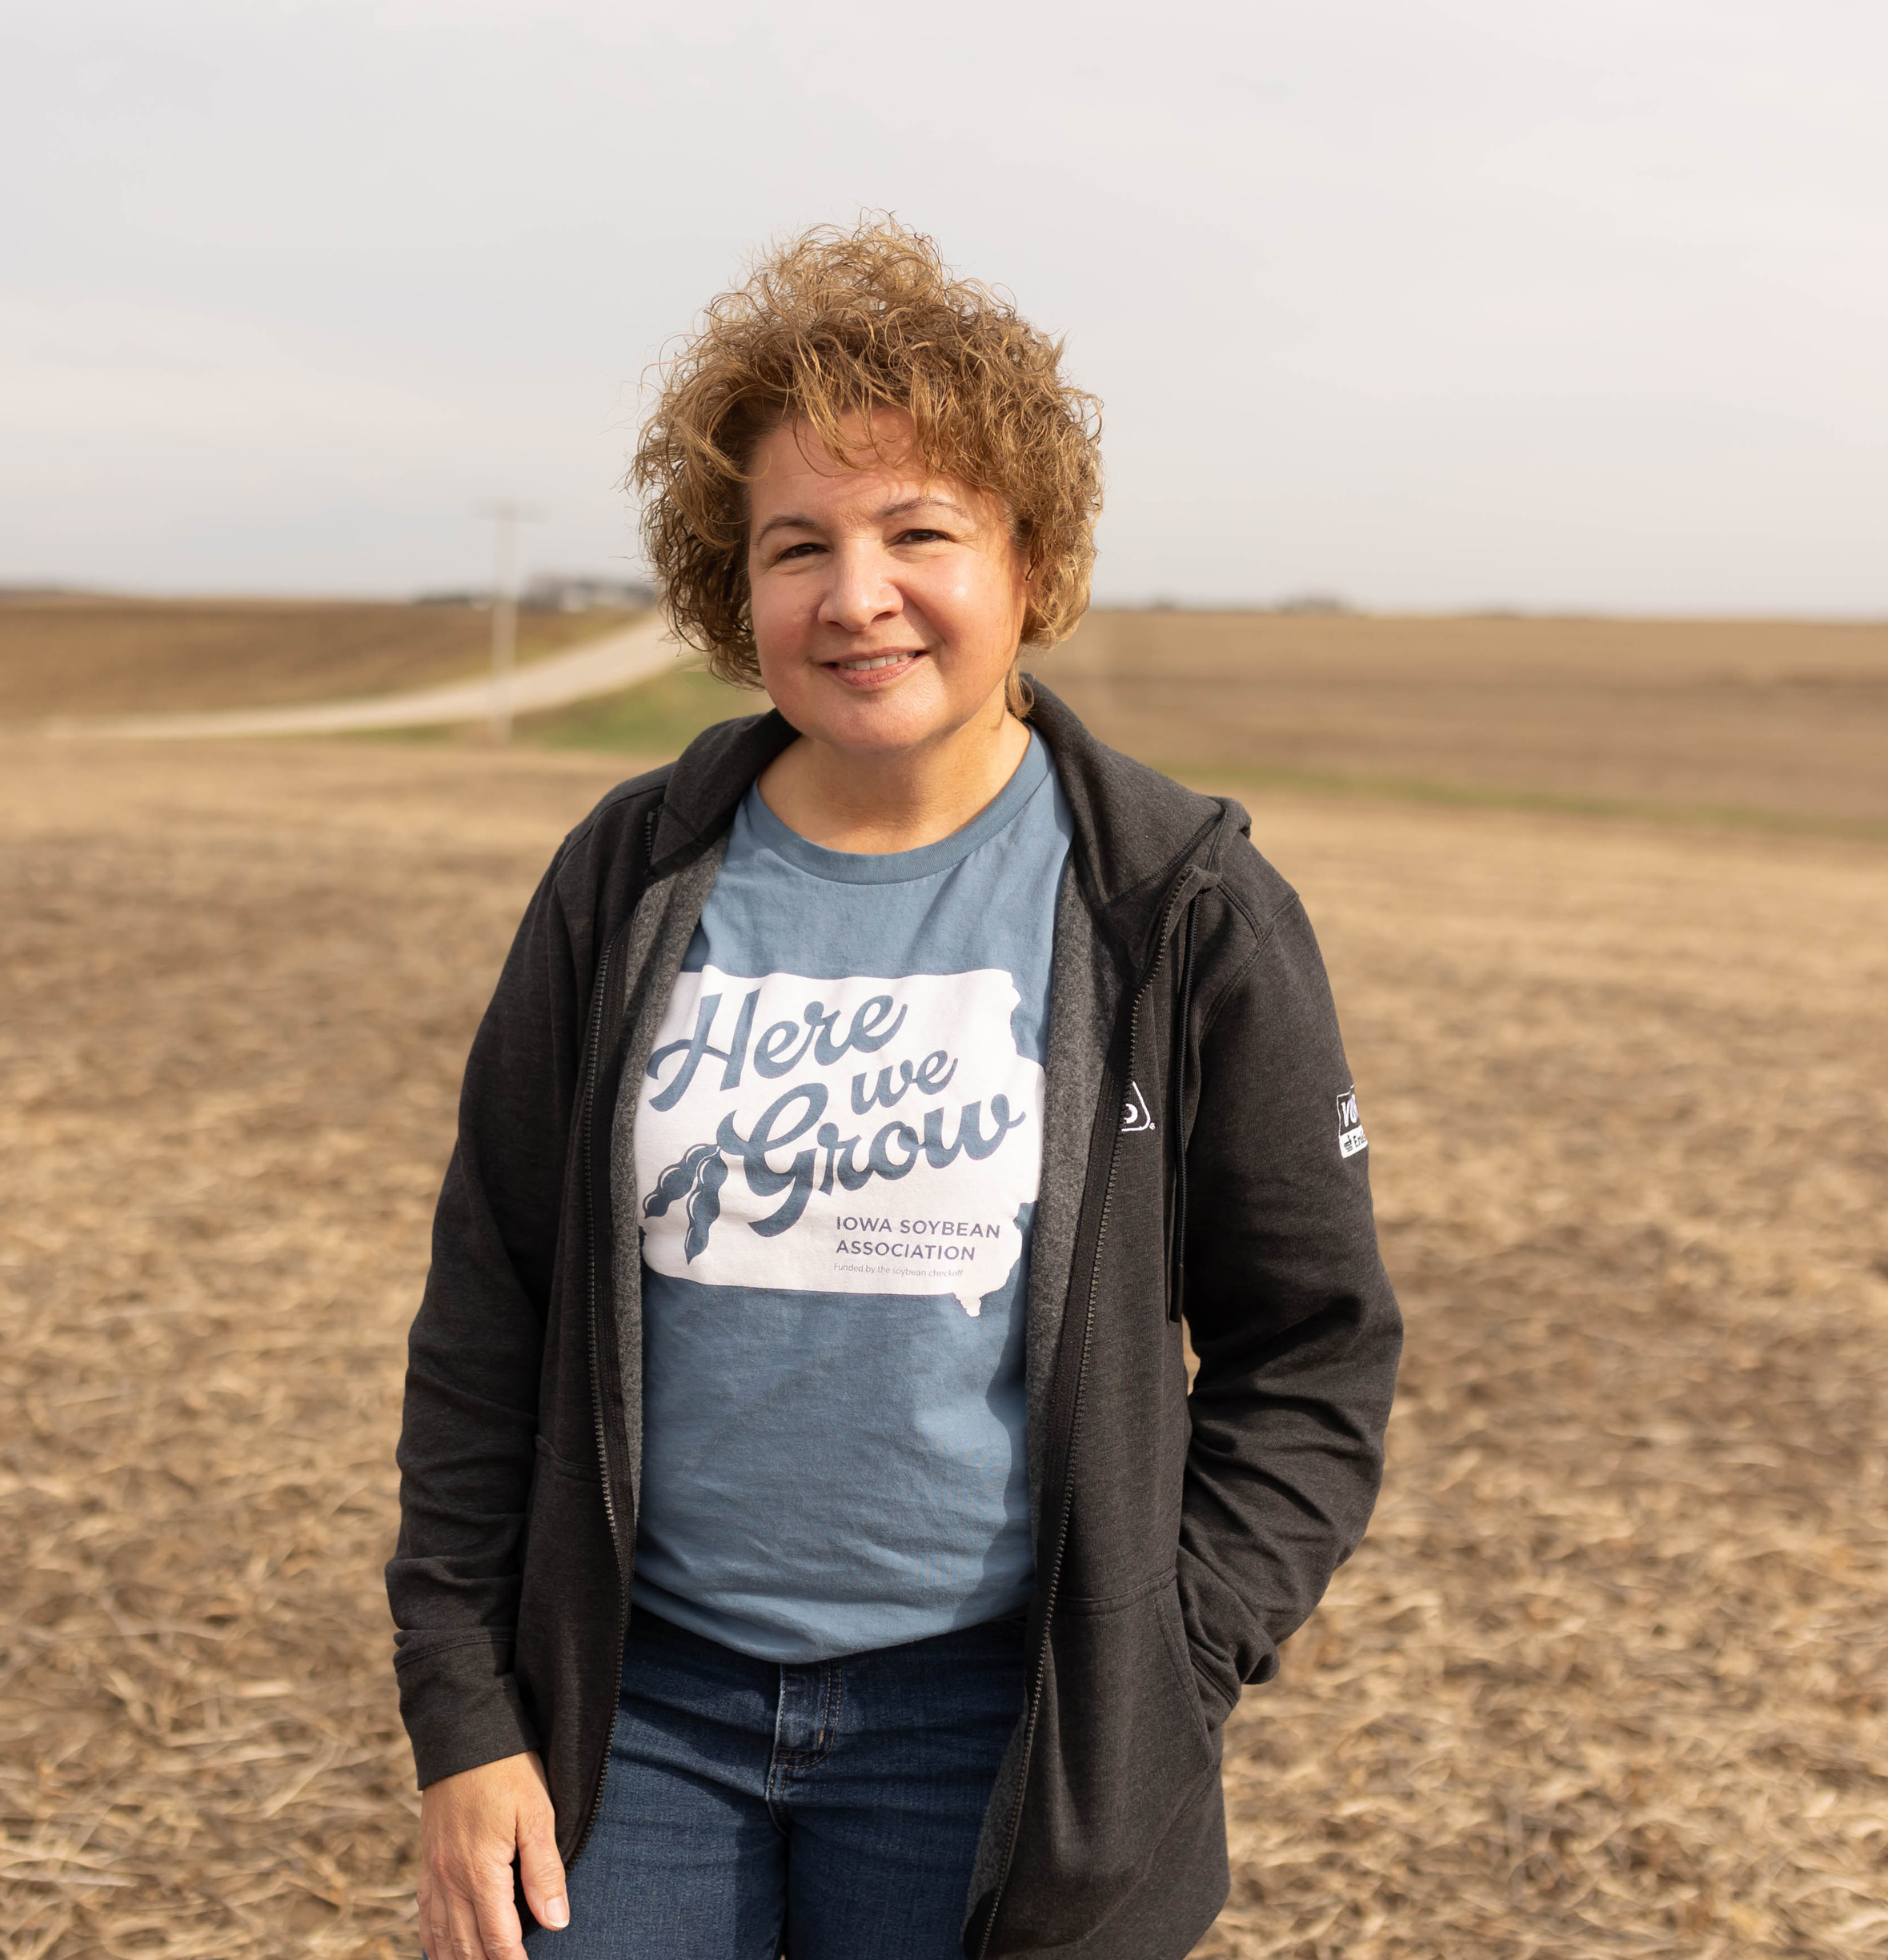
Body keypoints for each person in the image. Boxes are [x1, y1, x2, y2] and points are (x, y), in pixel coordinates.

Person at [388, 222, 1401, 1960]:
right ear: (737, 588)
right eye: (797, 545)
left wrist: (1171, 1655)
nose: (856, 594)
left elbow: (1311, 1347)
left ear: (1030, 558)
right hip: (637, 1720)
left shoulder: (1178, 902)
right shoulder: (629, 879)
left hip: (995, 1736)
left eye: (918, 530)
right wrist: (467, 1710)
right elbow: (491, 1305)